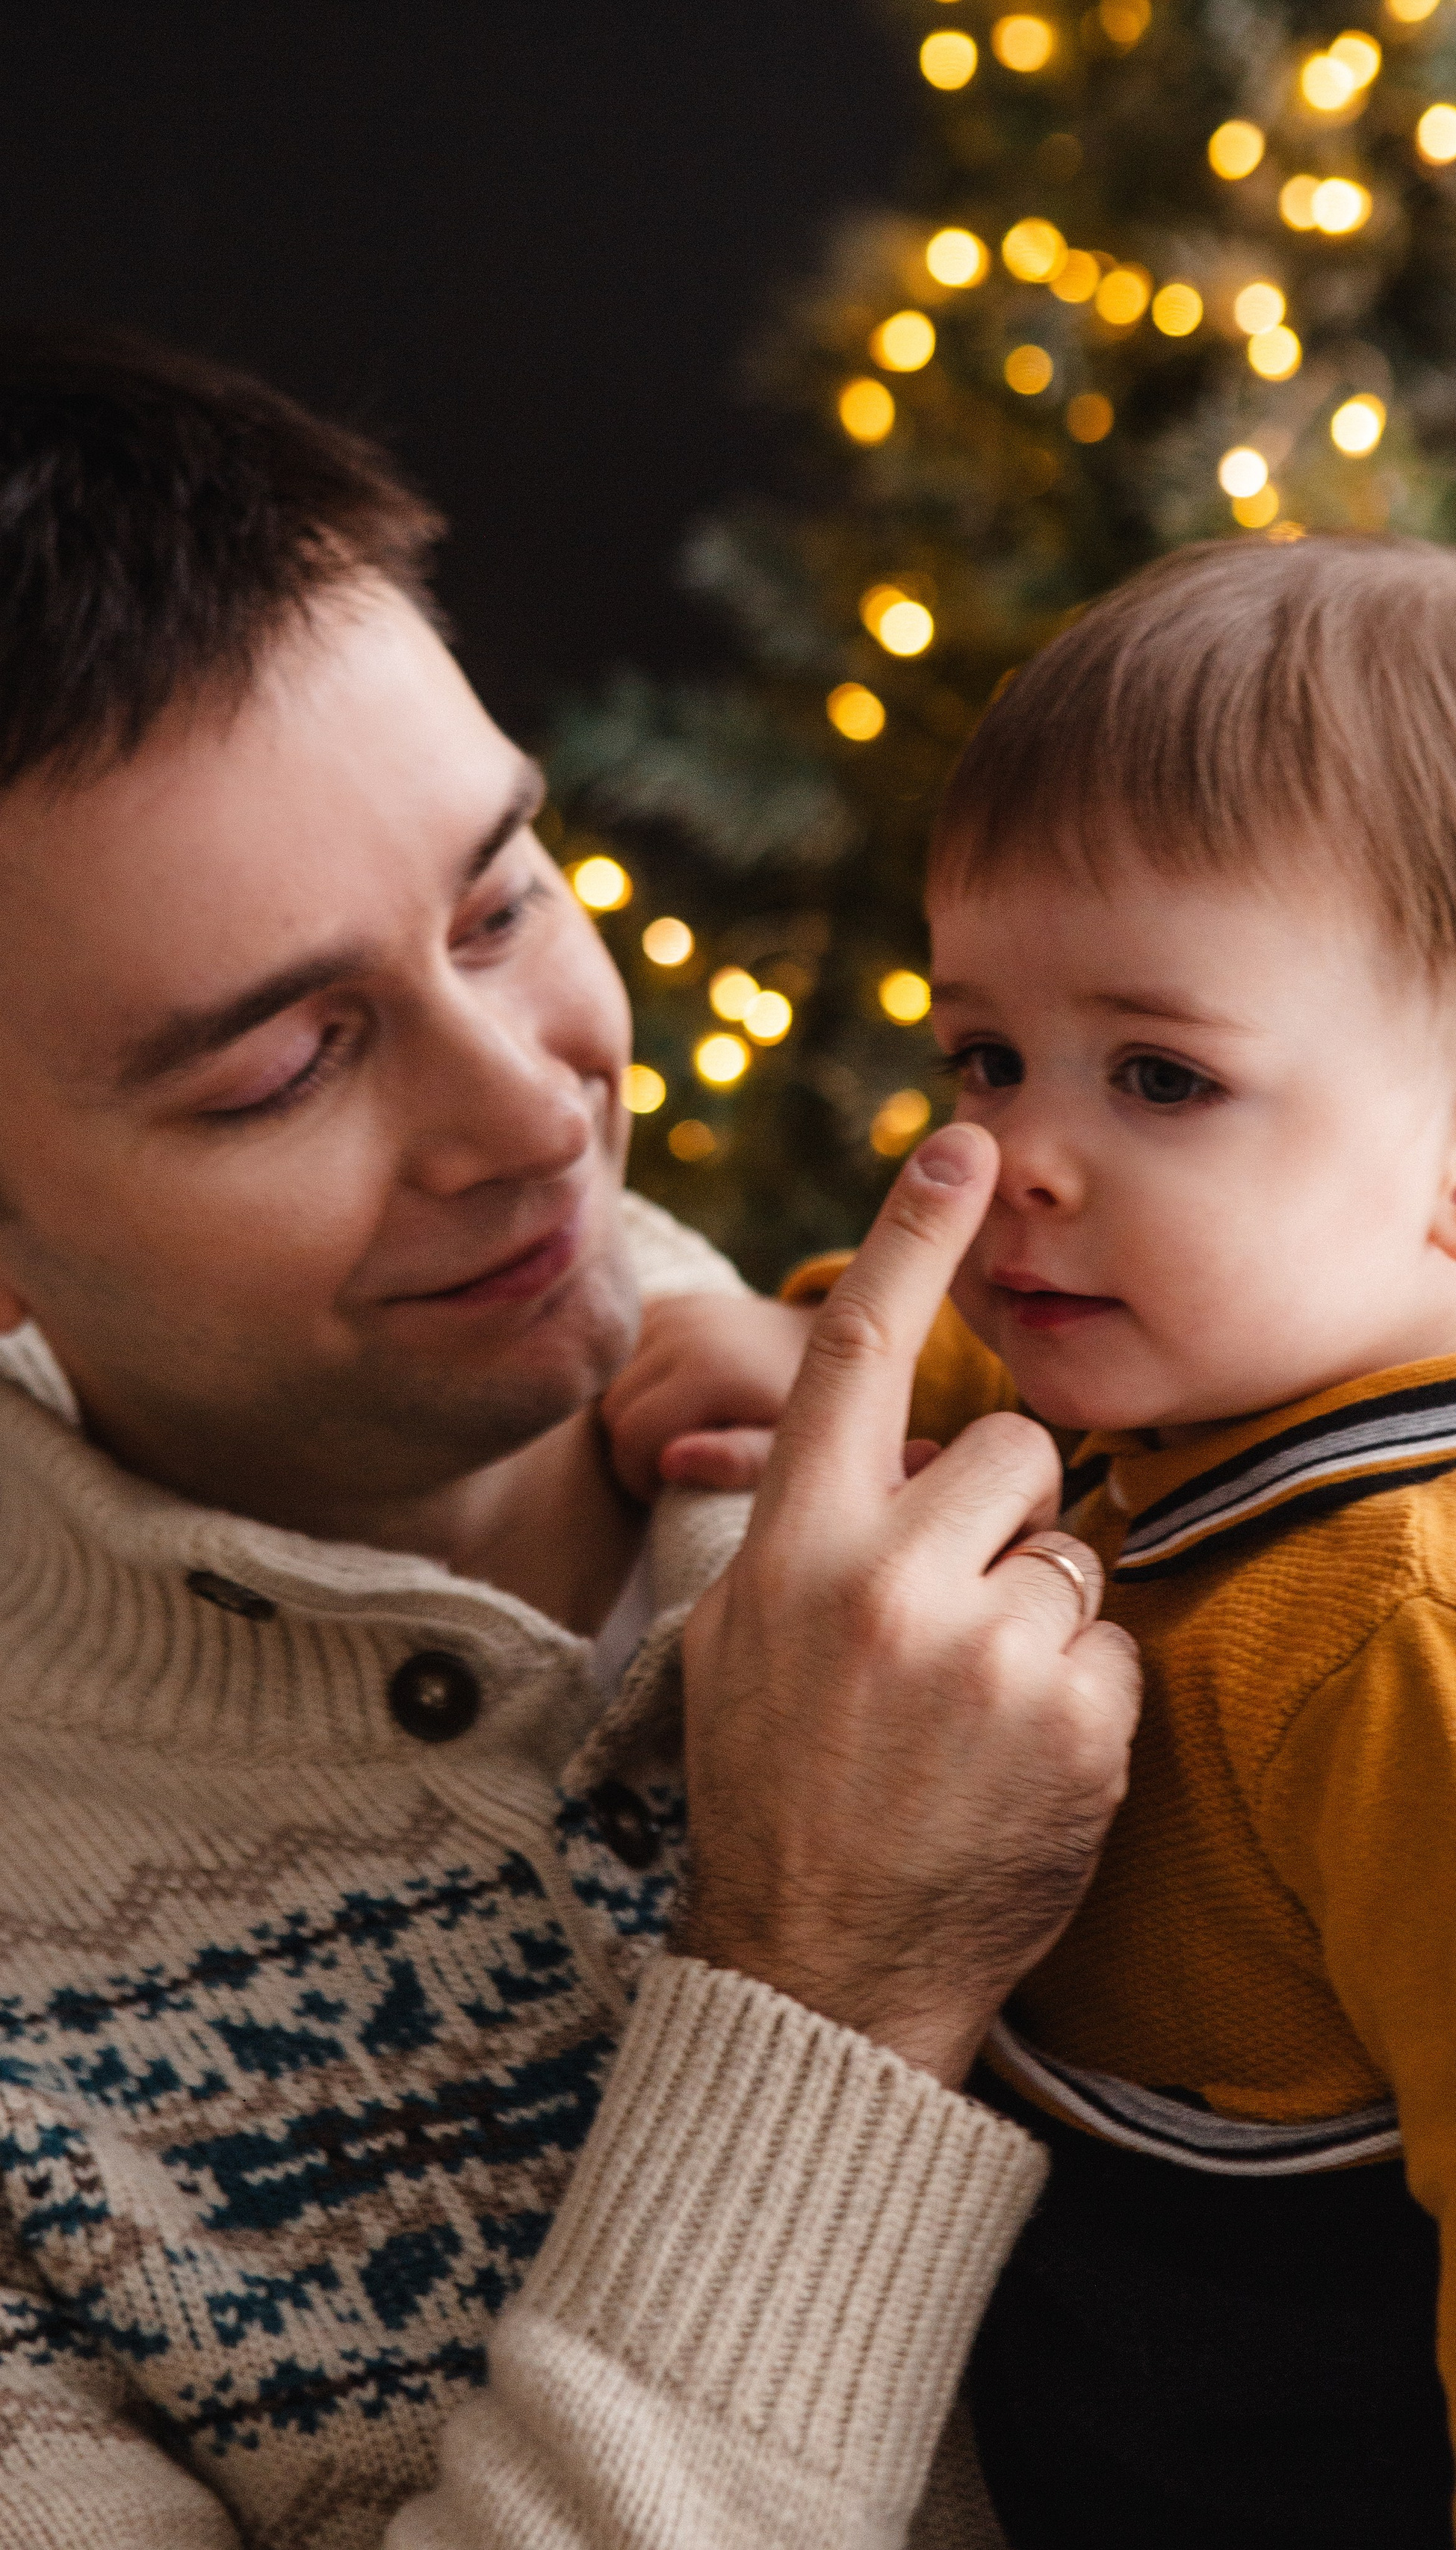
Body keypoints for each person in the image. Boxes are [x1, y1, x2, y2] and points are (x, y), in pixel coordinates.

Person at [611, 537, 1456, 2547]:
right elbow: (1002, 1382)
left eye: (1160, 1077)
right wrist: (815, 1348)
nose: (1019, 1154)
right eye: (986, 1056)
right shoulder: (1226, 1374)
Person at [0, 325, 1143, 2548]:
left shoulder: (1039, 1426)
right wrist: (836, 1985)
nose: (538, 1109)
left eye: (504, 899)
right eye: (279, 1069)